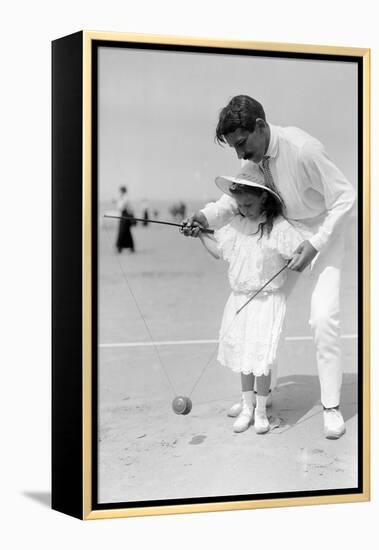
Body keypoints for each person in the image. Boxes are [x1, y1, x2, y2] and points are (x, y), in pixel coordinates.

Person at [183, 95, 356, 439]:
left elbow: (346, 196)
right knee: (264, 308)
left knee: (323, 317)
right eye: (233, 148)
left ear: (261, 126)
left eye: (242, 144)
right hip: (284, 232)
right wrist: (202, 219)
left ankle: (331, 406)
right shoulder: (253, 156)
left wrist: (316, 242)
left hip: (325, 233)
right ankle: (260, 398)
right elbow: (233, 200)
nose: (240, 155)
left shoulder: (303, 148)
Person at [191, 169, 309, 434]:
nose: (243, 210)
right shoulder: (236, 225)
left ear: (264, 200)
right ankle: (247, 407)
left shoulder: (278, 227)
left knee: (261, 358)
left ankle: (260, 410)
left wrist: (295, 258)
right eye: (240, 205)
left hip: (267, 302)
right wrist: (201, 234)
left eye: (248, 204)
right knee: (245, 356)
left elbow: (299, 253)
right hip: (240, 299)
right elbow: (218, 252)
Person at [115, 186, 135, 253]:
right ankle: (125, 247)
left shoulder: (125, 197)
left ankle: (121, 247)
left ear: (123, 191)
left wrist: (119, 200)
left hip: (126, 216)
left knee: (123, 231)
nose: (120, 192)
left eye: (120, 191)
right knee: (125, 232)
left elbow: (121, 207)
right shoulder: (123, 197)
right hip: (124, 215)